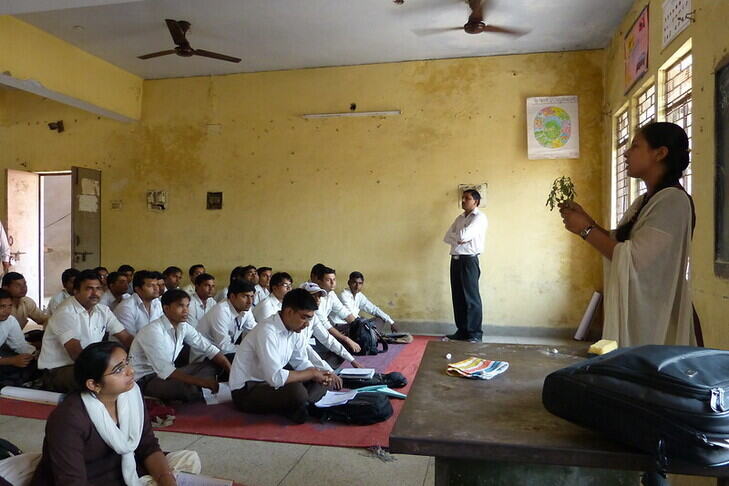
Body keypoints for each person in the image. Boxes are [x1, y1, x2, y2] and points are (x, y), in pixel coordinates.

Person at [559, 122, 696, 347]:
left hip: (655, 315)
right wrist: (587, 221)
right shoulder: (644, 200)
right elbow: (619, 241)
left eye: (635, 146)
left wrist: (585, 230)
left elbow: (635, 258)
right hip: (640, 311)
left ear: (660, 153)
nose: (625, 153)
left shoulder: (673, 202)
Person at [30, 341, 201, 485]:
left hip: (127, 472)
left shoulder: (131, 395)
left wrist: (166, 480)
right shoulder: (69, 418)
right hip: (92, 481)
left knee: (188, 458)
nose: (130, 371)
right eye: (119, 369)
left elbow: (147, 445)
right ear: (94, 385)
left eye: (127, 362)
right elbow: (71, 481)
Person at [229, 288, 339, 423]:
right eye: (304, 317)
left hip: (272, 384)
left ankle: (304, 406)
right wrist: (312, 374)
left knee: (325, 379)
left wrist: (318, 374)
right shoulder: (267, 331)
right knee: (297, 392)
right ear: (289, 312)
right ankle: (305, 404)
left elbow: (300, 361)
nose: (307, 324)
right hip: (248, 389)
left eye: (309, 318)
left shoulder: (294, 329)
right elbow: (275, 378)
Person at [37, 270, 133, 392]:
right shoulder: (65, 313)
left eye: (98, 288)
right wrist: (107, 368)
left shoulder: (103, 310)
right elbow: (76, 354)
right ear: (76, 291)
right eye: (89, 289)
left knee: (126, 376)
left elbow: (126, 338)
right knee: (109, 381)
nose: (95, 293)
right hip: (59, 370)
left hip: (88, 365)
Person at [131, 289, 231, 403]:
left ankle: (202, 390)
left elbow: (208, 348)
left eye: (187, 306)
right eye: (180, 306)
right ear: (166, 308)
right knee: (189, 388)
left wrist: (231, 371)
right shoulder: (153, 331)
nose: (186, 311)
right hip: (147, 379)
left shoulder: (183, 326)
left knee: (212, 364)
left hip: (169, 374)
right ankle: (202, 391)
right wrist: (202, 382)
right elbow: (166, 370)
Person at [443, 189, 487, 343]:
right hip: (455, 260)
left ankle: (475, 334)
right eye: (462, 198)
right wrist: (459, 238)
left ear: (476, 201)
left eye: (467, 198)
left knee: (471, 298)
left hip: (469, 261)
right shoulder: (460, 218)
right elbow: (447, 237)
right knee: (458, 297)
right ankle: (462, 331)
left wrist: (459, 237)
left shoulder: (480, 218)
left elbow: (463, 236)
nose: (463, 201)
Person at [300, 282, 363, 369]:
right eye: (313, 296)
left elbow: (328, 339)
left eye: (319, 296)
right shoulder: (297, 320)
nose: (317, 300)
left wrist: (352, 360)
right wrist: (329, 371)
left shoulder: (313, 317)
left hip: (302, 356)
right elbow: (306, 350)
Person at [193, 281, 257, 363]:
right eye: (245, 296)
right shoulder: (221, 311)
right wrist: (250, 349)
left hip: (224, 351)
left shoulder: (245, 309)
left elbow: (256, 330)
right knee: (250, 358)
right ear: (233, 296)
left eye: (252, 296)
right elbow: (224, 347)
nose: (250, 301)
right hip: (205, 357)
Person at [310, 266, 360, 353]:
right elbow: (324, 324)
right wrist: (346, 339)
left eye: (334, 279)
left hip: (325, 330)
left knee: (359, 331)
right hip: (313, 335)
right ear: (319, 281)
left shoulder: (331, 294)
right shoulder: (313, 296)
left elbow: (344, 312)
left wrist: (360, 326)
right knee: (339, 345)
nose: (333, 283)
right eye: (328, 280)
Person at [0, 289, 38, 386]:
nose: (7, 311)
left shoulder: (10, 320)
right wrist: (11, 360)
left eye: (9, 306)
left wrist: (34, 354)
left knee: (34, 364)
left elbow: (19, 344)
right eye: (2, 306)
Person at [113, 270, 162, 336]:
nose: (156, 288)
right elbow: (129, 340)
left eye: (157, 285)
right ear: (138, 289)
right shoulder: (126, 308)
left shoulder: (157, 303)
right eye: (151, 286)